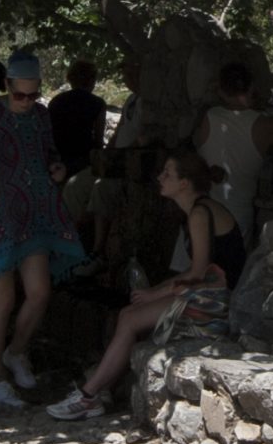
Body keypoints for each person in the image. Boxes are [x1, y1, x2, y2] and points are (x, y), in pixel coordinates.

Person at [49, 150, 244, 421]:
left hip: (213, 302)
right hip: (205, 294)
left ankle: (89, 395)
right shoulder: (198, 209)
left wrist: (156, 292)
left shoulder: (199, 213)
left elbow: (199, 270)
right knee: (128, 316)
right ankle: (99, 388)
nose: (160, 178)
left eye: (167, 174)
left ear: (184, 184)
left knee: (129, 320)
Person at [0, 54, 85, 405]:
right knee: (3, 300)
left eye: (32, 95)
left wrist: (56, 168)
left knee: (39, 291)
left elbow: (47, 152)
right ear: (7, 87)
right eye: (19, 95)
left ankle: (17, 351)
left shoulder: (41, 117)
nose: (26, 102)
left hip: (34, 213)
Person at [193, 62, 267, 233]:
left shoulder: (209, 116)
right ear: (252, 87)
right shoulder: (263, 124)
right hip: (238, 217)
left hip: (204, 212)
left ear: (221, 90)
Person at [47, 59, 108, 178]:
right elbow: (98, 138)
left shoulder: (56, 101)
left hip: (59, 158)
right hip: (85, 160)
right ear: (91, 80)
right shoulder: (98, 103)